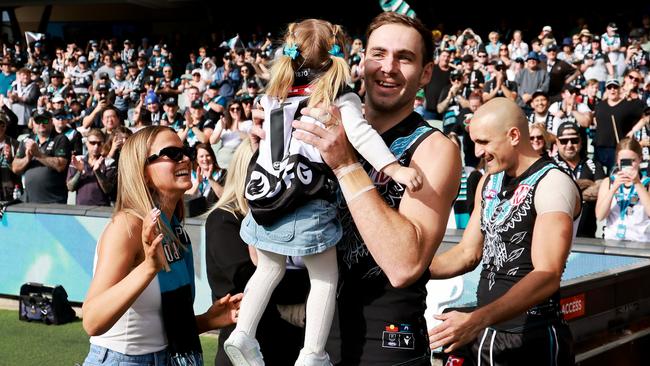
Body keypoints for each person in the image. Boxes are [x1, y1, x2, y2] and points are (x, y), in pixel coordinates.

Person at [229, 17, 431, 366]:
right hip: (306, 200)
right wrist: (393, 168)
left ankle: (243, 333)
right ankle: (312, 354)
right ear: (337, 55)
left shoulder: (272, 96)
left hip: (266, 197)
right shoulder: (335, 97)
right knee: (324, 277)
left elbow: (263, 141)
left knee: (268, 270)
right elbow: (363, 137)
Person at [287, 13, 460, 365]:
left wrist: (345, 164)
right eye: (378, 54)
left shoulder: (432, 149)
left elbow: (404, 265)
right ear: (361, 60)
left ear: (426, 73)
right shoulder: (322, 121)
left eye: (405, 57)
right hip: (310, 333)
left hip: (384, 342)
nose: (389, 67)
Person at [428, 98, 581, 366]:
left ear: (513, 135)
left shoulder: (553, 183)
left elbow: (547, 275)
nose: (477, 152)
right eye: (474, 142)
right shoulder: (489, 180)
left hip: (532, 337)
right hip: (487, 332)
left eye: (484, 142)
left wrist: (477, 319)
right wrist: (412, 271)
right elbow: (467, 253)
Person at [81, 126, 242, 366]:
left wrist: (208, 320)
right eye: (173, 153)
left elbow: (156, 328)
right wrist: (148, 268)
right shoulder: (128, 225)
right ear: (143, 171)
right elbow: (93, 321)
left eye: (185, 151)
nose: (186, 158)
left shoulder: (173, 226)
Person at [205, 138, 310, 365]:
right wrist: (314, 281)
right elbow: (246, 280)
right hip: (248, 350)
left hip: (286, 347)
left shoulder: (281, 219)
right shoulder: (224, 219)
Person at [553, 122, 605, 238]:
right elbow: (551, 193)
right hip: (557, 237)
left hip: (587, 237)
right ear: (557, 142)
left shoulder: (593, 164)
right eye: (564, 141)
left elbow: (601, 191)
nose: (569, 145)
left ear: (581, 141)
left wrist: (567, 190)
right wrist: (587, 184)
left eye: (574, 140)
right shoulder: (550, 165)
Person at [595, 138, 650, 241]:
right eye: (624, 161)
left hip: (640, 243)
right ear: (617, 160)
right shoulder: (608, 182)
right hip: (613, 242)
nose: (628, 165)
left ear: (640, 159)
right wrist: (613, 189)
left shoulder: (647, 183)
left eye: (632, 161)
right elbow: (600, 216)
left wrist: (637, 183)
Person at [11, 110, 71, 203]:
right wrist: (28, 158)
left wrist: (38, 154)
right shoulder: (26, 140)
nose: (41, 123)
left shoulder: (60, 139)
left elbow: (60, 165)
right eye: (38, 121)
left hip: (53, 201)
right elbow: (15, 168)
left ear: (51, 122)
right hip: (29, 200)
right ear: (33, 124)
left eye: (45, 121)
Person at [66, 128, 115, 206]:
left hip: (102, 209)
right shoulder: (78, 160)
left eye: (99, 143)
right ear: (86, 143)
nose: (96, 147)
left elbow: (108, 190)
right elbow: (70, 188)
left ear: (104, 144)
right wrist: (79, 171)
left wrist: (97, 171)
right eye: (92, 143)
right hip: (81, 209)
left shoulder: (109, 162)